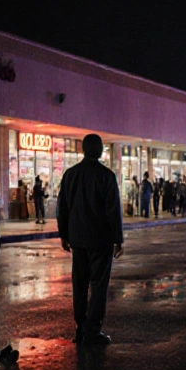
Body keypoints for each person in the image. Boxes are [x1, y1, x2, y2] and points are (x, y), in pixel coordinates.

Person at [57, 134, 124, 346]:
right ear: (100, 150)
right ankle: (93, 330)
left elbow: (63, 208)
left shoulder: (70, 174)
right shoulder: (106, 175)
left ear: (83, 150)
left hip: (78, 239)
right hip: (101, 239)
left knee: (79, 283)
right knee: (98, 285)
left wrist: (64, 235)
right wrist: (118, 239)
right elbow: (113, 210)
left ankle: (81, 327)